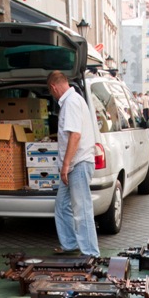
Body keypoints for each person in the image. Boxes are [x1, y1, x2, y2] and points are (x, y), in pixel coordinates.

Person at [46, 70, 99, 257]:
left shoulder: (71, 103)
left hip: (77, 165)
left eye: (51, 92)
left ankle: (91, 253)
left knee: (82, 209)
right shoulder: (73, 100)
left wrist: (66, 165)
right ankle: (69, 244)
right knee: (62, 205)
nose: (53, 95)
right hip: (73, 165)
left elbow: (75, 135)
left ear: (53, 87)